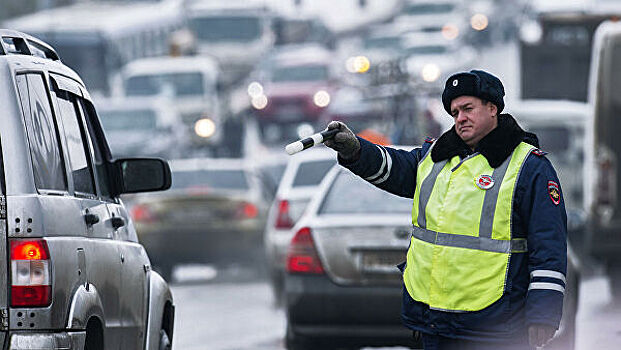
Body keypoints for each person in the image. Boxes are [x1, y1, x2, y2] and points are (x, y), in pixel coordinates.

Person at [324, 69, 567, 350]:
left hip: (495, 326)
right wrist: (355, 150)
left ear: (492, 108)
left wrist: (543, 314)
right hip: (434, 320)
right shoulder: (435, 157)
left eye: (467, 109)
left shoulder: (529, 166)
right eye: (454, 113)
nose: (460, 118)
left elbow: (549, 245)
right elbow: (393, 167)